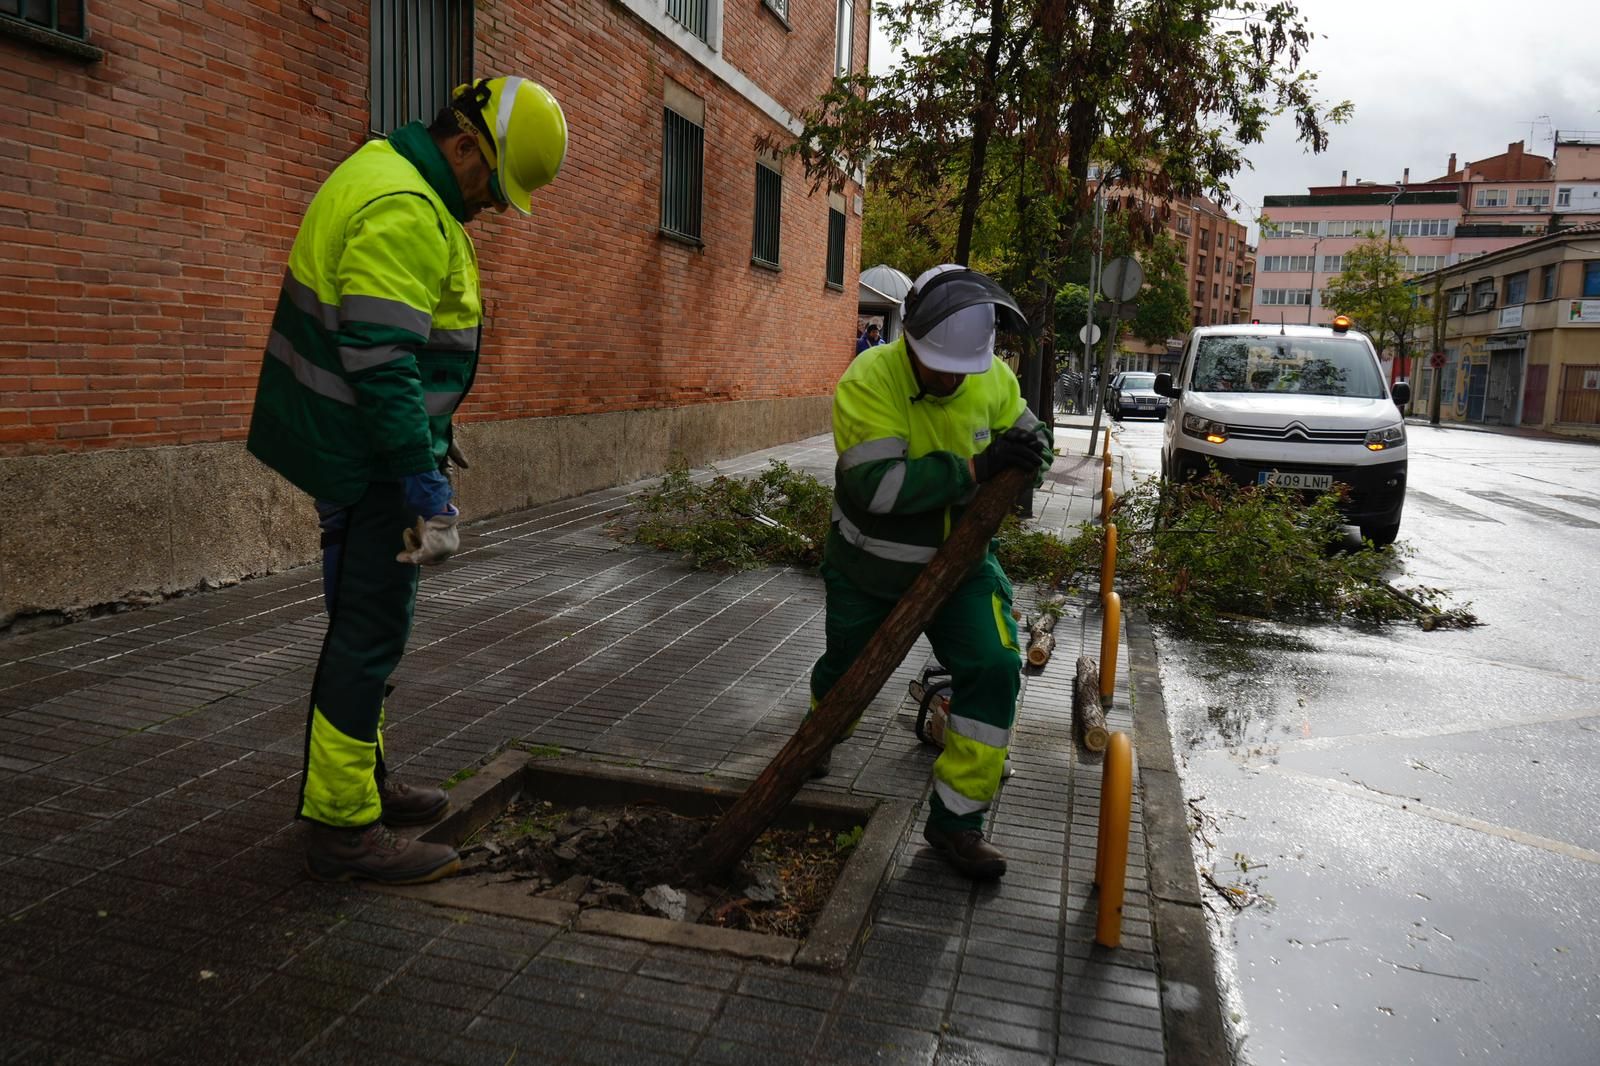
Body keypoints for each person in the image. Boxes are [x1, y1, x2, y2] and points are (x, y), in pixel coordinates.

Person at [246, 77, 568, 884]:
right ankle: (343, 827)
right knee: (368, 635)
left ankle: (365, 785)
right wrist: (418, 474)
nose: (493, 206)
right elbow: (384, 364)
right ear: (465, 145)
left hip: (359, 455)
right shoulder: (404, 207)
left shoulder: (388, 176)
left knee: (367, 629)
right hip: (372, 465)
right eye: (492, 186)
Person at [808, 265, 1054, 880]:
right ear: (911, 341)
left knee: (996, 669)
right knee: (846, 675)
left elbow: (1032, 440)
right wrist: (974, 470)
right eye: (936, 365)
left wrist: (1029, 458)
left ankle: (957, 824)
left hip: (961, 572)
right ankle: (819, 738)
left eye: (960, 368)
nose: (949, 378)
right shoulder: (869, 379)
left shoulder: (989, 374)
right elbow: (875, 488)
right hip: (870, 571)